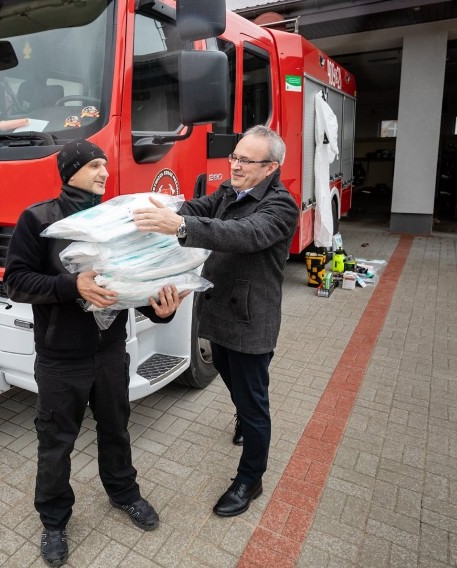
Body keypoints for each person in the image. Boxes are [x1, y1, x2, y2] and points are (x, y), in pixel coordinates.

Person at [3, 139, 184, 567]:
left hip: (109, 352)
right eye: (95, 166)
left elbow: (132, 282)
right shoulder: (39, 219)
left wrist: (158, 310)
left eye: (105, 166)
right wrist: (72, 285)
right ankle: (53, 521)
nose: (104, 173)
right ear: (70, 171)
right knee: (56, 443)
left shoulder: (120, 220)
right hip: (60, 357)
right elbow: (15, 282)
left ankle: (124, 494)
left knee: (117, 429)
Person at [132, 125, 299, 517]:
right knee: (226, 371)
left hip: (250, 318)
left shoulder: (280, 205)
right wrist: (165, 210)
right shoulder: (229, 190)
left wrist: (183, 228)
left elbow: (244, 233)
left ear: (271, 167)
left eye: (245, 160)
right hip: (220, 309)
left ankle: (250, 479)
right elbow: (199, 209)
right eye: (234, 157)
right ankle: (241, 413)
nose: (235, 166)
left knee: (255, 403)